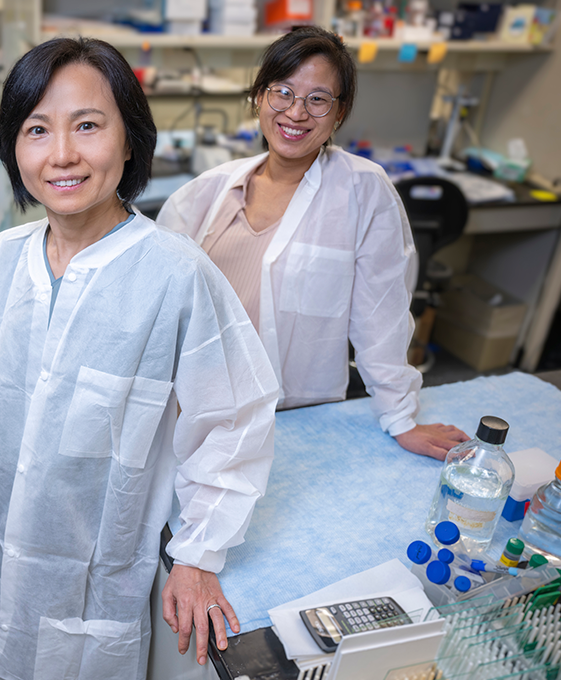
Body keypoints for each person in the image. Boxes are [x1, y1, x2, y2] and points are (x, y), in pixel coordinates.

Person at [0, 37, 279, 680]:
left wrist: (199, 554)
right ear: (14, 148)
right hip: (7, 559)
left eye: (88, 125)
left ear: (131, 140)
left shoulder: (176, 276)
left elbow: (233, 422)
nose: (62, 154)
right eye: (37, 129)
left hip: (99, 576)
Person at [158, 26, 467, 460]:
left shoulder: (362, 191)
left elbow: (382, 318)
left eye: (318, 99)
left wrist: (401, 419)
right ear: (258, 98)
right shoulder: (206, 192)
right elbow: (160, 304)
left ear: (339, 114)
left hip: (294, 420)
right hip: (194, 411)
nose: (296, 112)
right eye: (282, 92)